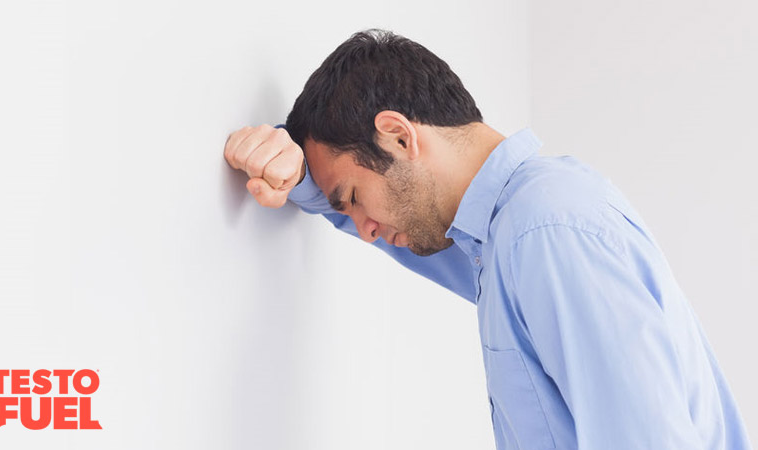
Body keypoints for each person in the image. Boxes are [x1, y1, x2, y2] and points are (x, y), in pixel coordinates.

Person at [223, 29, 752, 449]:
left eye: (355, 197)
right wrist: (293, 171)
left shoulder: (544, 231)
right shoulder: (504, 234)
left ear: (400, 136)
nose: (366, 231)